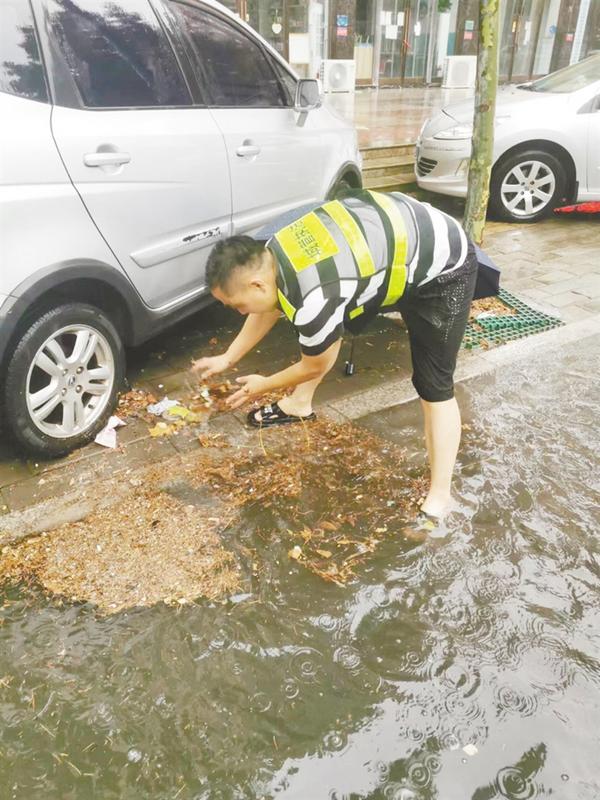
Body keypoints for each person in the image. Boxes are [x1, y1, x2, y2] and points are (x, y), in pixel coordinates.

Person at [192, 190, 478, 518]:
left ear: (257, 284)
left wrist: (263, 384)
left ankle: (440, 496)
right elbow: (270, 306)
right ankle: (299, 404)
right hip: (390, 248)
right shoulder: (271, 252)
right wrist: (228, 358)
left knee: (433, 384)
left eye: (237, 305)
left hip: (443, 265)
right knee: (323, 326)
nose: (240, 312)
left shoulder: (314, 298)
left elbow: (315, 364)